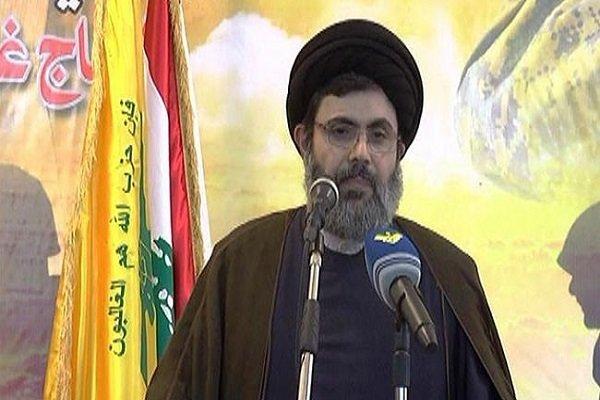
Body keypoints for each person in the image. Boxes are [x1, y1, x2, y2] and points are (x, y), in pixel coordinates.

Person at [146, 19, 515, 400]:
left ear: (398, 151)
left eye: (379, 135)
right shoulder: (240, 267)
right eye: (341, 131)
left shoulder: (449, 279)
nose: (361, 153)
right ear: (305, 141)